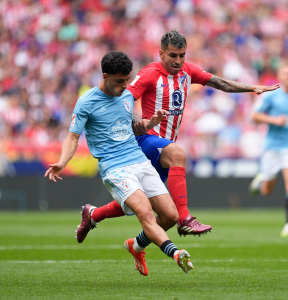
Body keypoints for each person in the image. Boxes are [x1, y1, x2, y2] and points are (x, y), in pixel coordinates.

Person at [76, 29, 281, 242]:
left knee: (151, 209)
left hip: (163, 145)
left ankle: (102, 221)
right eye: (173, 55)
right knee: (177, 154)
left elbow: (220, 83)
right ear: (161, 53)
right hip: (145, 140)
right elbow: (123, 102)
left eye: (182, 55)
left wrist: (252, 88)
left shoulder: (188, 72)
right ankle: (185, 219)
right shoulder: (149, 73)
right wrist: (140, 122)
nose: (178, 60)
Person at [44, 51, 193, 276]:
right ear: (105, 76)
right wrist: (62, 162)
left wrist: (148, 123)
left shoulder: (126, 97)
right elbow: (73, 136)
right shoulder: (87, 102)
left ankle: (133, 244)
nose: (125, 86)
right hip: (114, 167)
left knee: (170, 216)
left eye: (127, 80)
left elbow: (130, 126)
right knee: (146, 213)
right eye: (119, 81)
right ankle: (175, 253)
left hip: (139, 160)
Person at [249, 61, 288, 238]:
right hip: (272, 148)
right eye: (285, 73)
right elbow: (254, 116)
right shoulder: (270, 96)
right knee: (267, 191)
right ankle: (261, 183)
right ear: (280, 77)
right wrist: (275, 120)